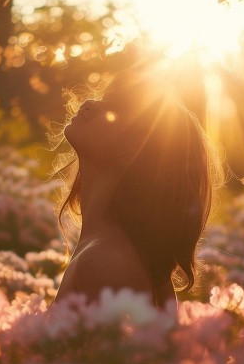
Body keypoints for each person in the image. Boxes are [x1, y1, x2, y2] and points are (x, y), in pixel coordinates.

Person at [49, 68, 224, 310]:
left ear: (136, 152)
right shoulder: (108, 250)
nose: (90, 103)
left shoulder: (107, 262)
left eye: (114, 110)